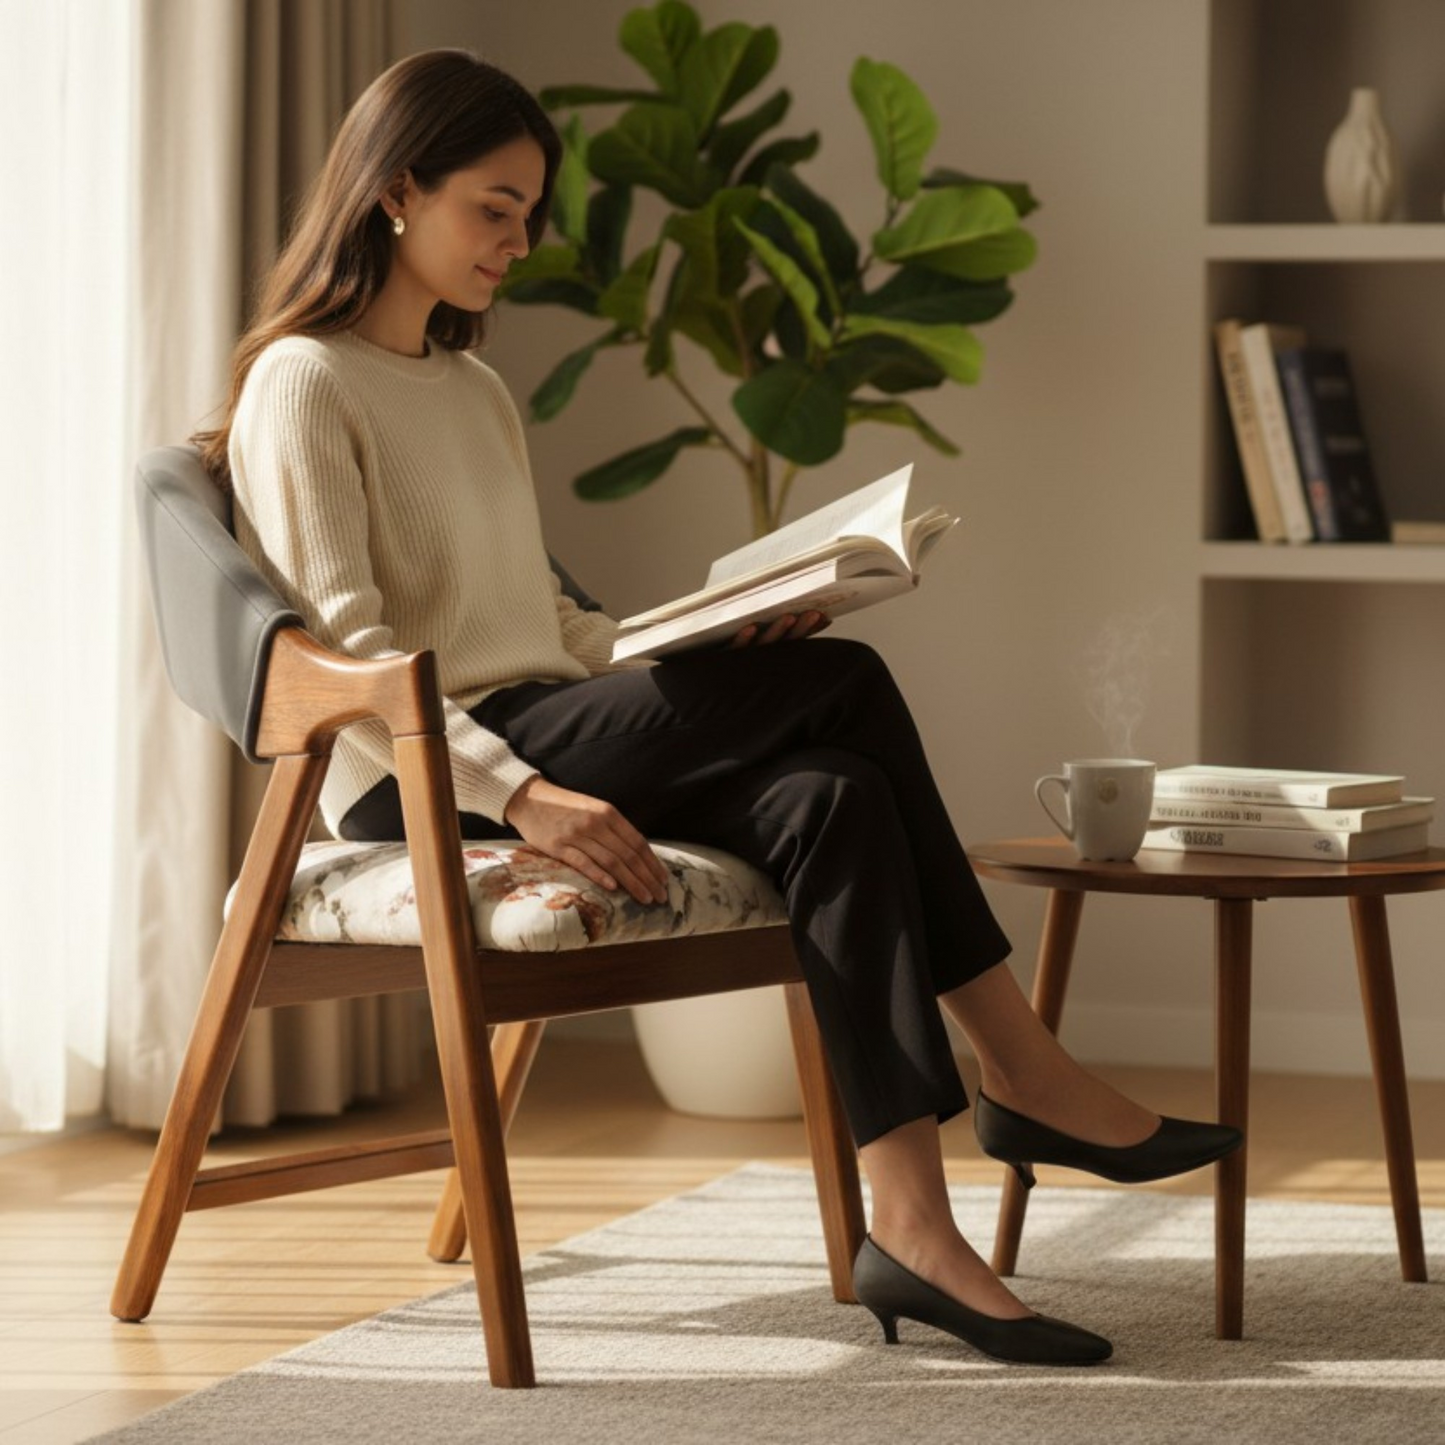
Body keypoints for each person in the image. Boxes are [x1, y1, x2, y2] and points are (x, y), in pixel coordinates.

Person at [202, 49, 1241, 1368]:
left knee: (836, 796)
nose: (518, 244)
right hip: (418, 764)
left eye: (530, 216)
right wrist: (521, 792)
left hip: (533, 712)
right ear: (397, 189)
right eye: (494, 208)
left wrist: (704, 633)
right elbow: (352, 657)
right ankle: (1024, 1069)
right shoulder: (304, 381)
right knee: (849, 690)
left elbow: (551, 629)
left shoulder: (472, 391)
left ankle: (912, 1227)